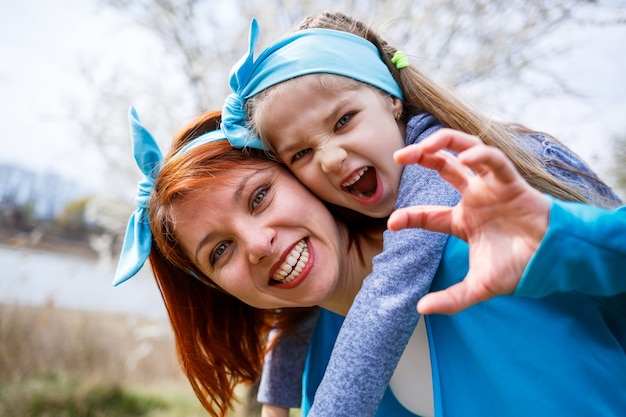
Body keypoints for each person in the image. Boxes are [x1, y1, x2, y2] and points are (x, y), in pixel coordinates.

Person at [219, 11, 623, 417]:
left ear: (391, 99)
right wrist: (276, 399)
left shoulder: (442, 163)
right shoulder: (347, 221)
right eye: (302, 153)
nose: (330, 157)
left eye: (344, 121)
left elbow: (384, 301)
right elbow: (305, 309)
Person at [114, 107, 626, 417]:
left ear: (302, 173)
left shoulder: (477, 245)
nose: (258, 244)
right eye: (219, 251)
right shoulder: (321, 353)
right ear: (215, 286)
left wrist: (571, 240)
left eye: (259, 197)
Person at [387, 128, 626, 315]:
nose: (346, 154)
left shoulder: (526, 158)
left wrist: (565, 238)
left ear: (392, 101)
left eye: (348, 119)